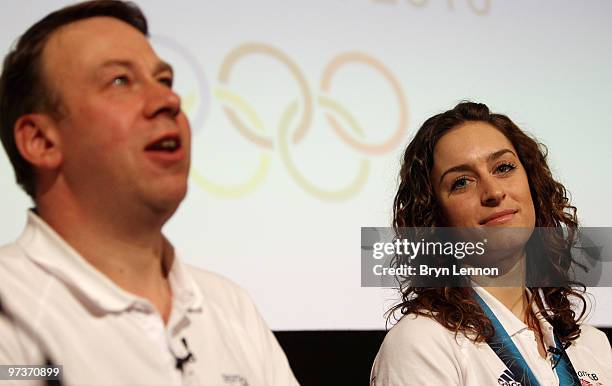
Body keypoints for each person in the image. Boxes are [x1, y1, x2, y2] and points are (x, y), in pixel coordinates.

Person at [0, 1, 299, 385]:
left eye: (165, 80)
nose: (169, 101)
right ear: (40, 140)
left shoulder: (229, 307)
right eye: (121, 81)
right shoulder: (11, 313)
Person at [370, 102, 612, 385]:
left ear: (532, 184)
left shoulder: (592, 346)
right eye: (462, 182)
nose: (493, 192)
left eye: (504, 167)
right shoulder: (422, 344)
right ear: (434, 218)